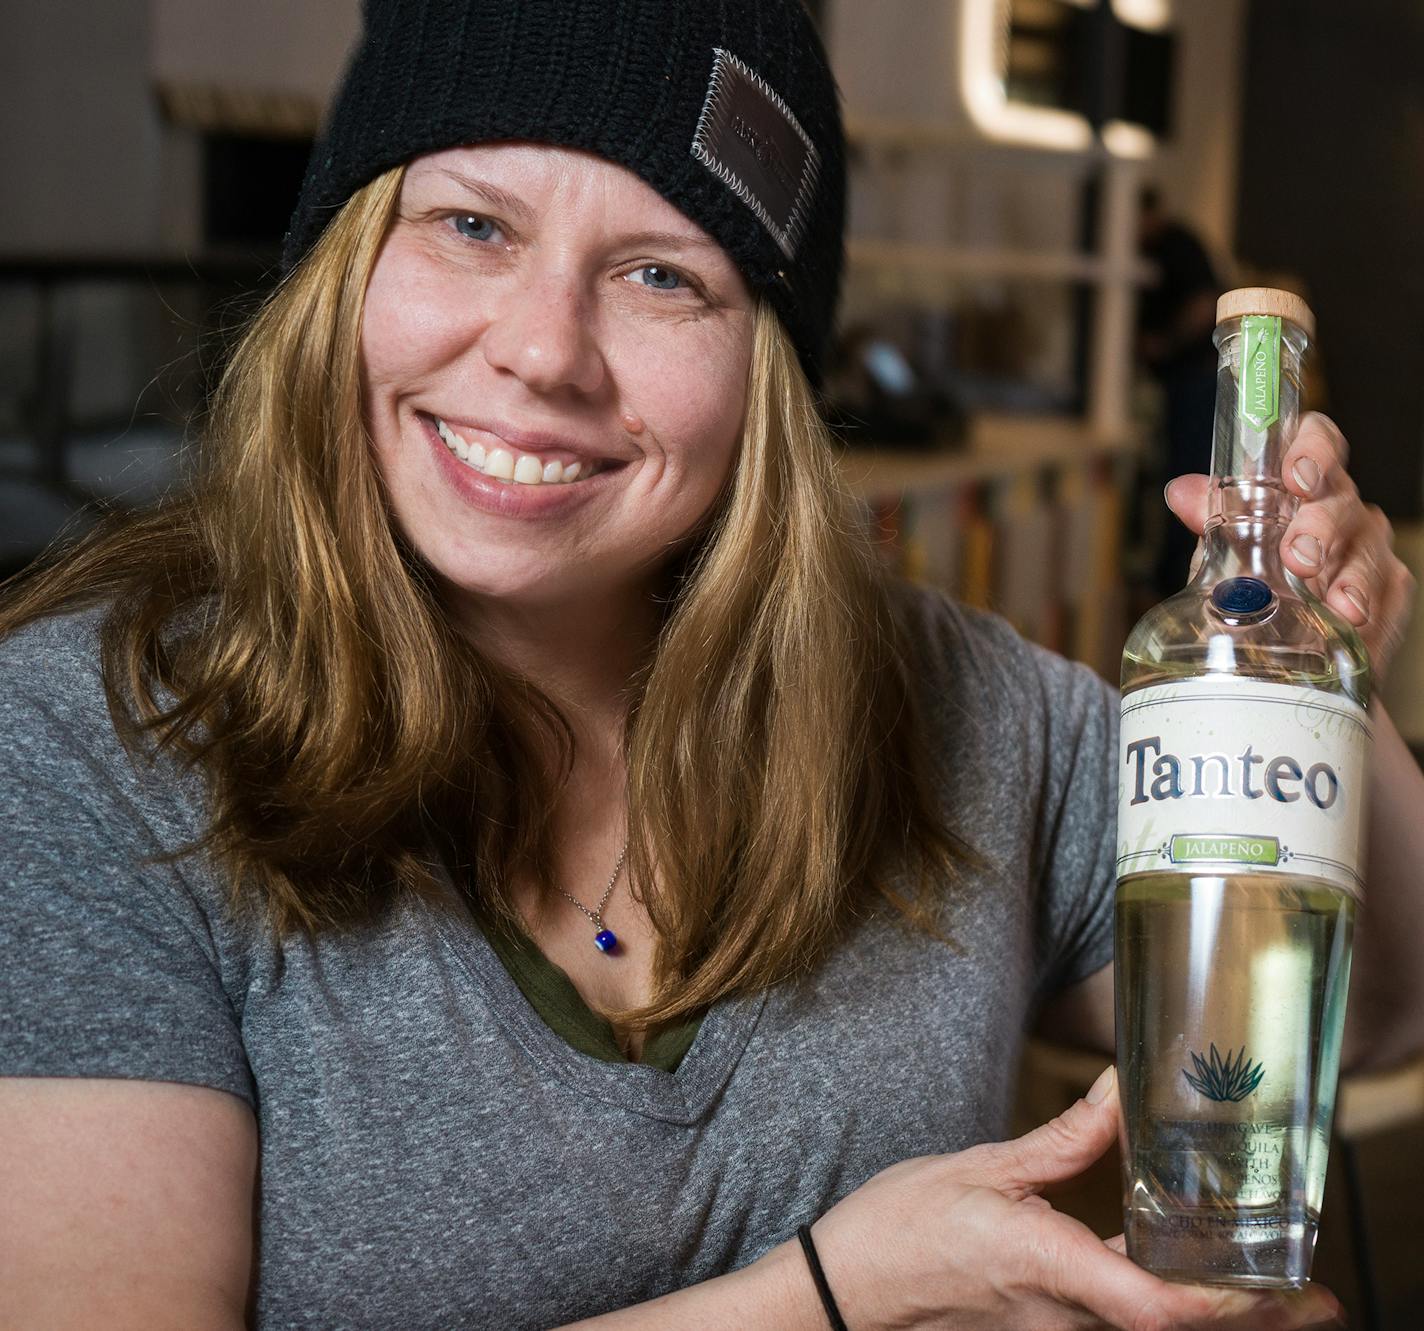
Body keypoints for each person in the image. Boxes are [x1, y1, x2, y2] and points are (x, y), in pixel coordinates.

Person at [1, 3, 1419, 1328]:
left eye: (663, 274)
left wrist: (1318, 674)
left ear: (768, 377)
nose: (545, 350)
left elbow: (1381, 1014)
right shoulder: (90, 747)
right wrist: (828, 1295)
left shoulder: (958, 704)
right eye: (473, 224)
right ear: (345, 269)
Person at [1137, 186, 1223, 596]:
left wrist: (1165, 343)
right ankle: (1173, 581)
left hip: (1199, 381)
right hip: (1181, 383)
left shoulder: (1177, 246)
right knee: (1177, 478)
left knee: (1189, 478)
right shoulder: (1155, 250)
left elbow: (1204, 307)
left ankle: (1179, 585)